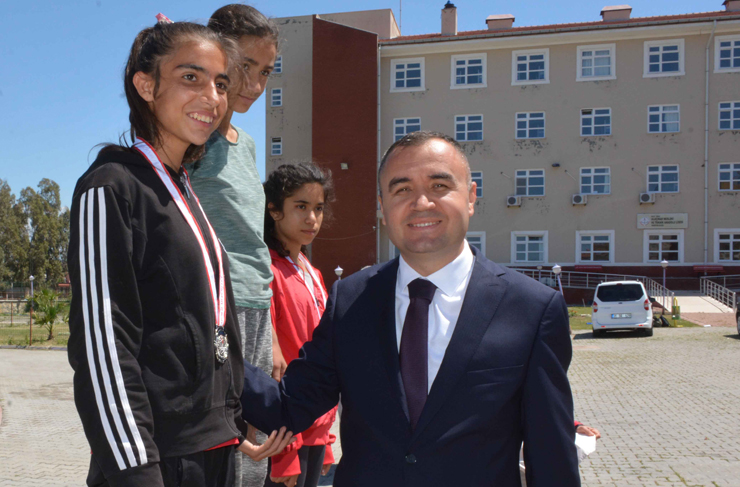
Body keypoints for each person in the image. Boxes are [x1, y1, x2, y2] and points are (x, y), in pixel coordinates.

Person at [240, 131, 580, 486]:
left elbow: (551, 457)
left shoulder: (532, 309)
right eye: (402, 189)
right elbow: (288, 406)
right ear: (382, 206)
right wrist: (216, 344)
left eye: (439, 186)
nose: (421, 202)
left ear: (470, 197)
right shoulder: (350, 301)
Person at [67, 18, 290, 487]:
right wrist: (136, 470)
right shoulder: (111, 187)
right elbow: (103, 350)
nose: (212, 97)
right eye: (191, 77)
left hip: (211, 451)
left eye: (221, 84)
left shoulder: (184, 189)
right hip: (154, 460)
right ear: (146, 86)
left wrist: (229, 420)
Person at [187, 8, 282, 484]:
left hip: (257, 309)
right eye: (246, 66)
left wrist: (274, 332)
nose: (256, 83)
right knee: (223, 442)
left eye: (266, 71)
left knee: (253, 451)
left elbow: (252, 241)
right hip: (217, 311)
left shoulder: (245, 144)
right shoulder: (191, 139)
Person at [262, 163, 338, 487]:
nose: (312, 218)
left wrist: (326, 438)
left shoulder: (312, 271)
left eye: (318, 208)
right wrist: (285, 452)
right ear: (274, 210)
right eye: (301, 207)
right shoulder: (265, 270)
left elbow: (323, 356)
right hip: (284, 436)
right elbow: (268, 368)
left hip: (315, 429)